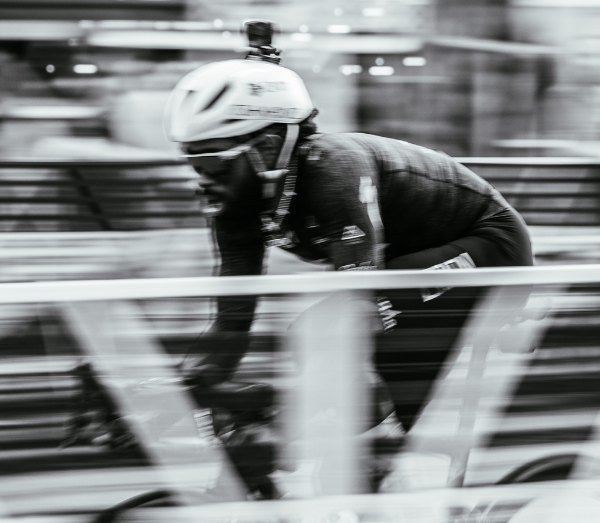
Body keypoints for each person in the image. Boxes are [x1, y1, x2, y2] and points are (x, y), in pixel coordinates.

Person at [163, 21, 533, 437]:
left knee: (335, 341)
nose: (201, 180)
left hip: (490, 245)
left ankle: (395, 460)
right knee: (320, 348)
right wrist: (183, 391)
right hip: (404, 262)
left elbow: (357, 303)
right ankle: (383, 466)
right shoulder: (239, 201)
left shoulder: (333, 168)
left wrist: (286, 419)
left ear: (266, 148)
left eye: (211, 163)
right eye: (192, 164)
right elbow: (232, 319)